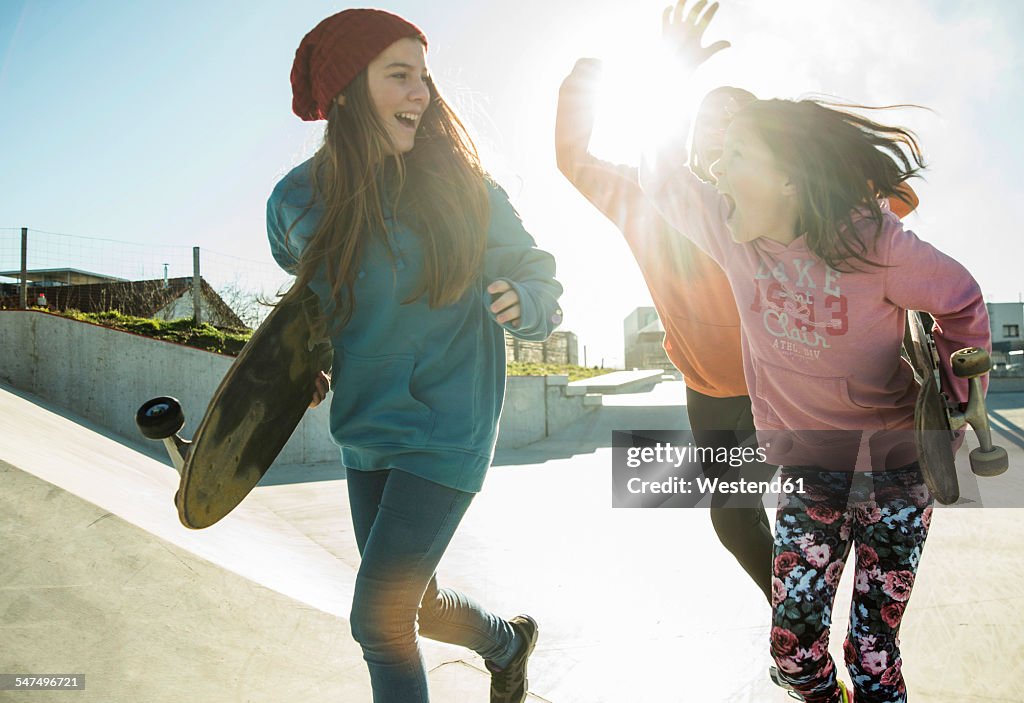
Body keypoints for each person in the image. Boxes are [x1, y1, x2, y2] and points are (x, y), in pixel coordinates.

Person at [639, 2, 990, 702]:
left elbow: (961, 299)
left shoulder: (873, 240)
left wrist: (955, 392)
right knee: (794, 652)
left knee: (871, 651)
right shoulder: (730, 229)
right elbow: (659, 174)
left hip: (896, 471)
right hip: (809, 470)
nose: (717, 168)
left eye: (736, 158)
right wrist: (669, 78)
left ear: (790, 179)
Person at [266, 9, 563, 703]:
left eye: (423, 78)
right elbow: (312, 297)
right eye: (399, 76)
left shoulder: (464, 190)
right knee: (416, 604)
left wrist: (526, 297)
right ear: (344, 90)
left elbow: (539, 273)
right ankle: (507, 642)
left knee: (380, 618)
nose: (421, 94)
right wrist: (303, 361)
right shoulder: (296, 201)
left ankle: (505, 644)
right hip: (366, 427)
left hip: (448, 426)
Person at [556, 67, 774, 602]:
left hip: (788, 384)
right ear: (689, 132)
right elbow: (573, 158)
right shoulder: (642, 194)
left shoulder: (780, 202)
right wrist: (583, 85)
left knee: (817, 513)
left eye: (739, 120)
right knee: (734, 522)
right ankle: (797, 631)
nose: (723, 126)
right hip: (714, 393)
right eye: (711, 117)